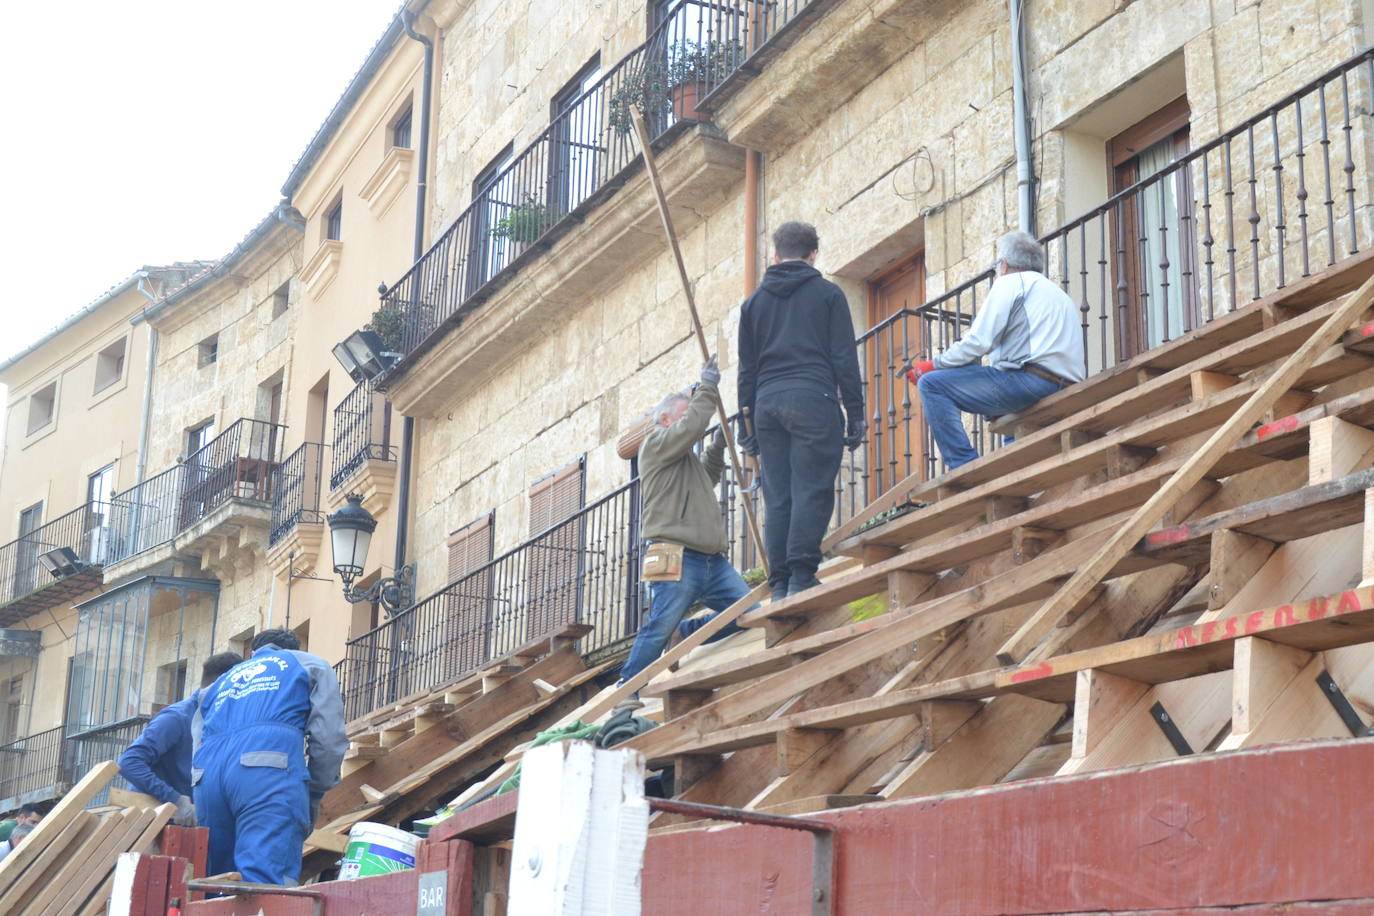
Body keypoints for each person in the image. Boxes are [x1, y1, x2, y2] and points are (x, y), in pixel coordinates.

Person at [738, 221, 865, 601]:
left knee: (778, 494)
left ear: (775, 256)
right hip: (813, 398)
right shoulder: (828, 294)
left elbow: (747, 370)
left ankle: (779, 583)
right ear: (813, 255)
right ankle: (801, 575)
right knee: (812, 488)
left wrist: (747, 424)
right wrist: (855, 411)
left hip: (767, 405)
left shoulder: (753, 304)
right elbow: (844, 356)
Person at [617, 358, 754, 685]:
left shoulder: (681, 458)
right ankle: (627, 687)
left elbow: (706, 479)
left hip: (711, 561)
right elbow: (692, 427)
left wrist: (718, 448)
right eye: (683, 413)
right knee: (657, 627)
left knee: (748, 614)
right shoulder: (655, 443)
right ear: (665, 419)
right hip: (674, 554)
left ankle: (687, 632)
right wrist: (707, 387)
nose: (690, 421)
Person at [904, 230, 1086, 470]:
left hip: (1030, 382)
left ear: (1003, 264)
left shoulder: (1010, 282)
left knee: (932, 385)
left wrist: (932, 365)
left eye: (995, 266)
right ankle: (1018, 477)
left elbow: (978, 342)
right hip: (1065, 384)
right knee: (1010, 427)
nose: (996, 271)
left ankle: (963, 465)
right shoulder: (1058, 294)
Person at [193, 629, 348, 886]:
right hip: (265, 770)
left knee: (217, 882)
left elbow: (197, 739)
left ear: (252, 653)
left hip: (207, 777)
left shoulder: (219, 683)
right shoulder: (308, 664)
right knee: (267, 882)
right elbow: (329, 740)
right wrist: (316, 789)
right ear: (293, 648)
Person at [118, 652, 243, 825]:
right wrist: (175, 799)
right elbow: (128, 762)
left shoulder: (219, 722)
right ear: (222, 684)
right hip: (148, 825)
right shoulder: (177, 718)